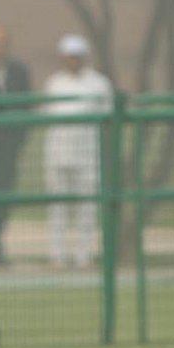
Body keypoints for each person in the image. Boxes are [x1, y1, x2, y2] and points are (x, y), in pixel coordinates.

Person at [43, 34, 112, 269]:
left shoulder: (98, 83)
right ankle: (58, 256)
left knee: (87, 208)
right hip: (58, 153)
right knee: (58, 209)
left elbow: (108, 115)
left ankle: (84, 256)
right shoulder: (54, 83)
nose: (73, 61)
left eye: (77, 57)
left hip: (87, 155)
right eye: (69, 57)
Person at [0, 25, 32, 265]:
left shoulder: (19, 72)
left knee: (3, 197)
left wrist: (17, 140)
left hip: (7, 148)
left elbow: (26, 107)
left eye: (2, 42)